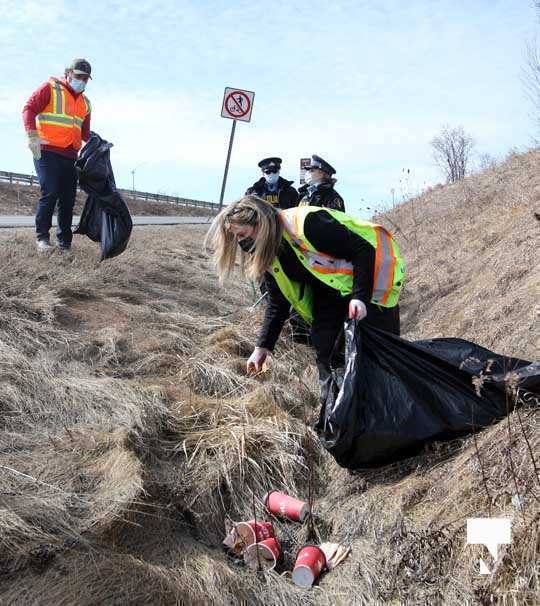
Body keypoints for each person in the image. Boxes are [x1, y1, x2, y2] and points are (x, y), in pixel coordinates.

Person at [205, 196, 404, 389]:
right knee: (327, 355)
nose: (241, 243)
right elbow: (277, 303)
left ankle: (391, 410)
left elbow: (363, 250)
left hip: (371, 287)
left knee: (379, 359)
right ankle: (335, 415)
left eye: (241, 235)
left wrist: (359, 297)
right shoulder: (269, 252)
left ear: (261, 223)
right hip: (327, 297)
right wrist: (262, 347)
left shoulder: (308, 224)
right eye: (235, 238)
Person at [22, 58, 93, 252]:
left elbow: (85, 133)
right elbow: (29, 109)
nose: (82, 81)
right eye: (79, 76)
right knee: (50, 191)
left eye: (86, 78)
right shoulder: (50, 88)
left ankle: (64, 244)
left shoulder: (86, 103)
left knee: (68, 200)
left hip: (71, 156)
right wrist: (31, 136)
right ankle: (42, 239)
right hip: (46, 151)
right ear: (68, 73)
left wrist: (99, 143)